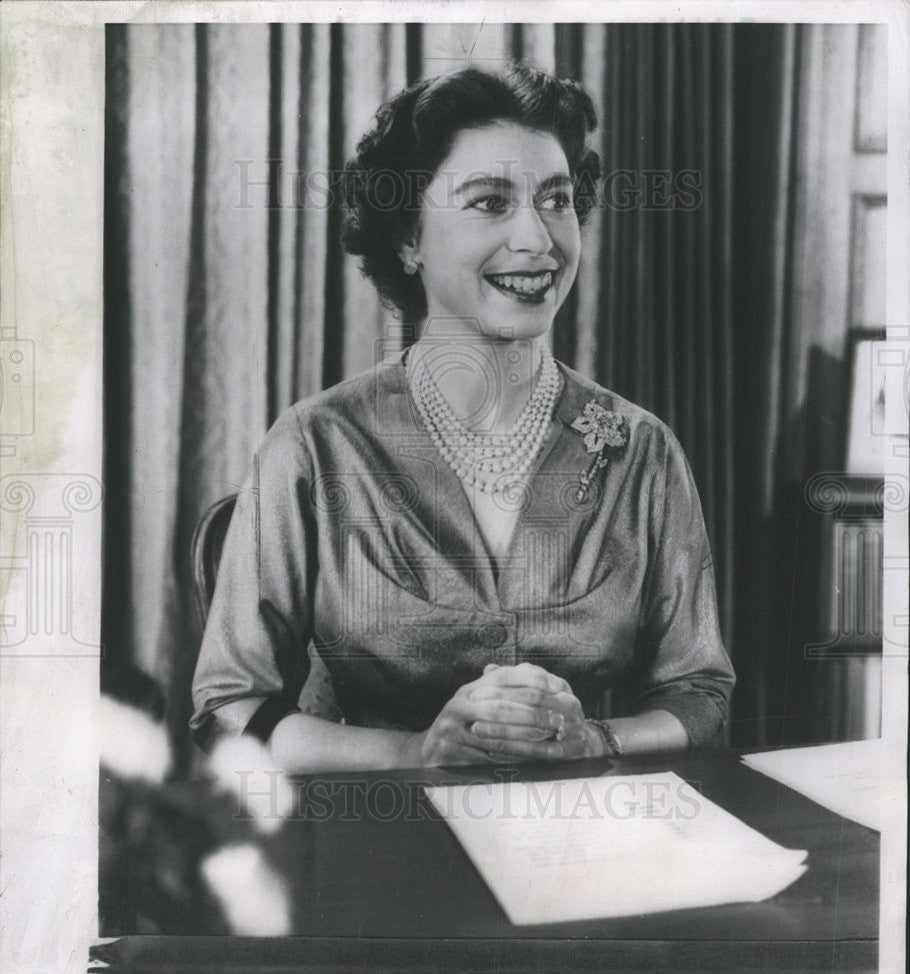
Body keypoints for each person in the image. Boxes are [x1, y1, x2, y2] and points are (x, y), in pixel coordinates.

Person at [190, 62, 734, 773]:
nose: (538, 239)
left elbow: (700, 691)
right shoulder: (316, 446)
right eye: (489, 203)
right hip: (383, 850)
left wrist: (596, 739)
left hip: (586, 846)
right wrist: (412, 751)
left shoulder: (643, 451)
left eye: (556, 199)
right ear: (409, 238)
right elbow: (229, 709)